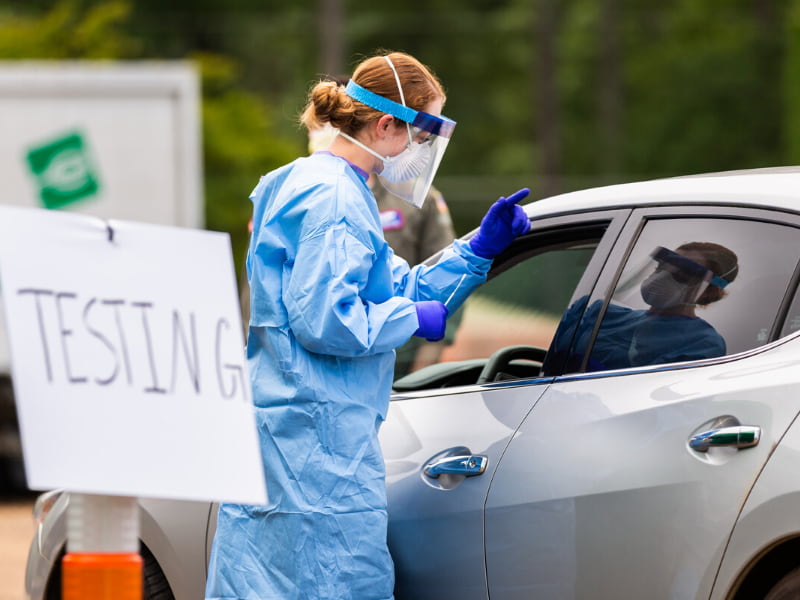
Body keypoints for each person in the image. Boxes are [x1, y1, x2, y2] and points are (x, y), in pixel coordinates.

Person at [205, 51, 530, 600]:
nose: (423, 151)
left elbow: (387, 288)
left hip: (298, 436)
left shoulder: (317, 182)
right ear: (385, 125)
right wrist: (411, 318)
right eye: (422, 133)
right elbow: (326, 319)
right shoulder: (333, 197)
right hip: (317, 450)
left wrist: (477, 249)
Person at [309, 120, 460, 377]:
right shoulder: (301, 196)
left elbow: (435, 277)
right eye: (320, 125)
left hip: (400, 362)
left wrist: (422, 368)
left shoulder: (412, 196)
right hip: (319, 368)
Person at [545, 241, 738, 374]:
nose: (661, 278)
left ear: (709, 291)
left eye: (682, 275)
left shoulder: (702, 343)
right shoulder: (600, 313)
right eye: (661, 268)